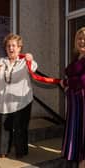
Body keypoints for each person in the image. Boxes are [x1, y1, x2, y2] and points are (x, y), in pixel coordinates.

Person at [0, 33, 38, 158]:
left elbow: (33, 67)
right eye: (8, 46)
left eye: (14, 46)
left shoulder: (24, 61)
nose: (11, 48)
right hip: (4, 102)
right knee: (4, 128)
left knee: (20, 129)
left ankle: (21, 152)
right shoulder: (2, 61)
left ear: (19, 48)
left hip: (21, 102)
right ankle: (3, 151)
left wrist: (30, 59)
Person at [60, 27, 85, 168]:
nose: (82, 41)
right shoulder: (77, 58)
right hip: (74, 105)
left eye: (84, 39)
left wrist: (67, 82)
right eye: (79, 38)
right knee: (77, 137)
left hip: (83, 104)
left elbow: (83, 80)